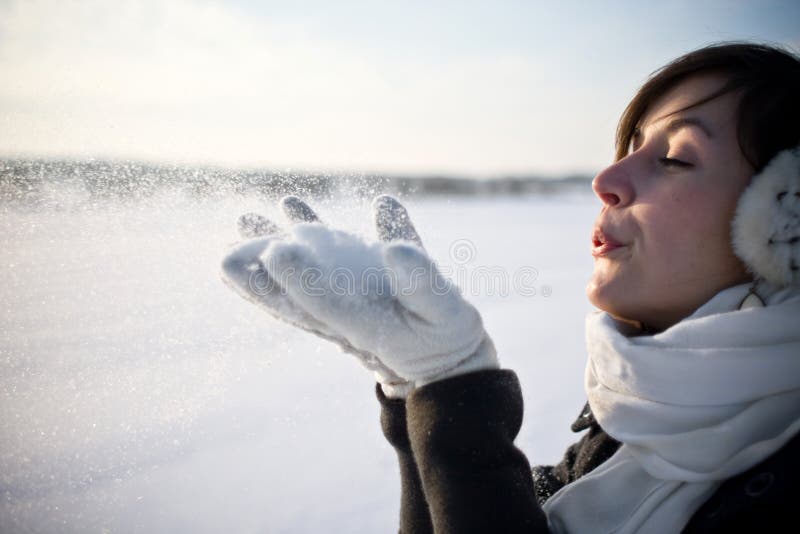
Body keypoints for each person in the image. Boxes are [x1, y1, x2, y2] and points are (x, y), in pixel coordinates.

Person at [220, 42, 800, 533]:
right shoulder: (632, 429)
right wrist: (416, 394)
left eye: (674, 157)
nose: (606, 181)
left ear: (783, 223)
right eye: (629, 150)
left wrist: (454, 386)